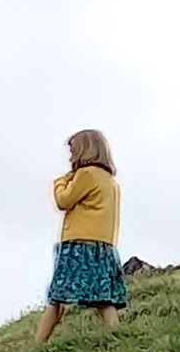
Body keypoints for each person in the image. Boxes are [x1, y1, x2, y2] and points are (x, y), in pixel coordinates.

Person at [35, 127, 126, 340]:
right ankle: (117, 335)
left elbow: (63, 200)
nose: (70, 157)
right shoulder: (109, 181)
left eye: (73, 151)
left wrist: (60, 182)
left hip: (79, 245)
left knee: (57, 298)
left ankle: (38, 343)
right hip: (102, 246)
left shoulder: (86, 175)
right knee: (103, 298)